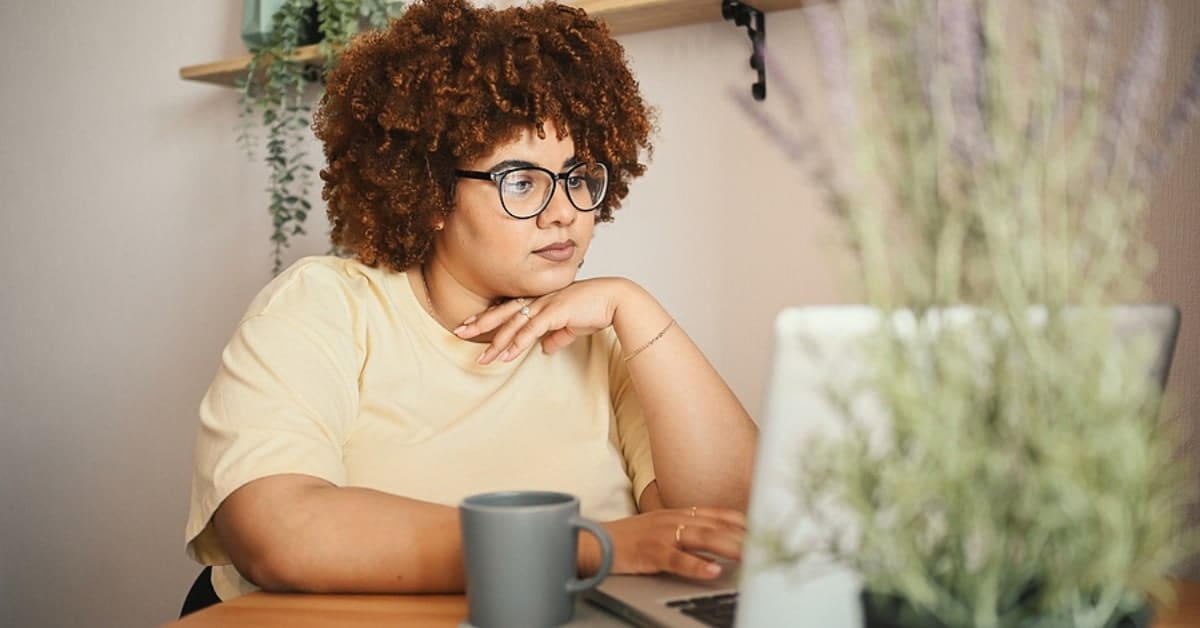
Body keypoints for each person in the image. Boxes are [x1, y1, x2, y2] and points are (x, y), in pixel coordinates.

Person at [183, 0, 758, 603]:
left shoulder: (605, 337)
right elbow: (278, 530)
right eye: (521, 180)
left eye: (580, 175)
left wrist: (638, 308)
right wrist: (591, 544)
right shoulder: (324, 307)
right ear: (429, 189)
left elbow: (726, 528)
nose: (565, 211)